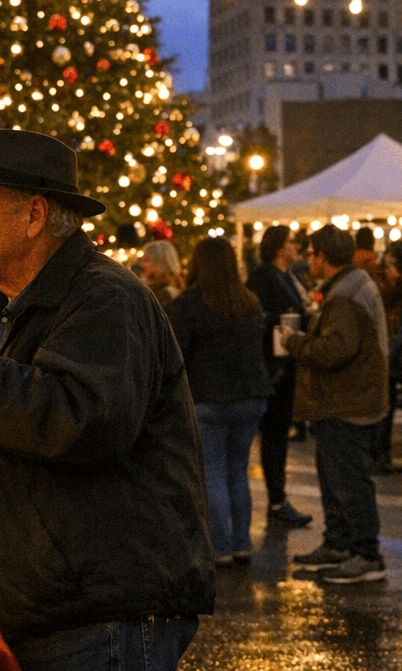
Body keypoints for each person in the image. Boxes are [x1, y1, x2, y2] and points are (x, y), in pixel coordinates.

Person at [0, 129, 213, 671]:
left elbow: (77, 419)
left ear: (33, 216)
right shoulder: (9, 306)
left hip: (97, 620)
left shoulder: (105, 297)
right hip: (51, 610)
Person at [283, 224, 389, 585]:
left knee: (349, 481)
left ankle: (365, 554)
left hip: (347, 401)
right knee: (336, 478)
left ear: (322, 257)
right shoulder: (351, 284)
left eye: (310, 253)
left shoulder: (344, 293)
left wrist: (296, 341)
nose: (307, 259)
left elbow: (334, 350)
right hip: (348, 399)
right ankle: (340, 543)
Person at [170, 236, 271, 567]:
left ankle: (222, 547)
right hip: (249, 396)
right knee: (238, 472)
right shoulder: (249, 302)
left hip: (208, 397)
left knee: (212, 474)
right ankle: (242, 544)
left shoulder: (189, 305)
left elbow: (176, 355)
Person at [245, 224, 313, 527]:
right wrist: (290, 319)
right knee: (273, 434)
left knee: (277, 434)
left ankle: (278, 496)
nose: (295, 245)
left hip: (284, 363)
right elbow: (259, 316)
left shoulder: (287, 274)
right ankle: (276, 498)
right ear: (277, 246)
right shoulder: (264, 275)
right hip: (274, 367)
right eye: (290, 241)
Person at [371, 238, 402, 474]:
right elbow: (383, 299)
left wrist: (397, 278)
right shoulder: (381, 278)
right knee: (386, 406)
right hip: (391, 345)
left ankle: (386, 454)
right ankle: (380, 454)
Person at [137, 239, 183, 312]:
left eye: (147, 261)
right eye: (142, 260)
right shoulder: (152, 288)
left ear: (162, 263)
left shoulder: (166, 293)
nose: (142, 265)